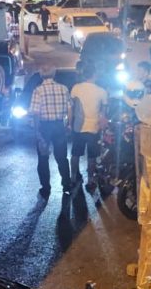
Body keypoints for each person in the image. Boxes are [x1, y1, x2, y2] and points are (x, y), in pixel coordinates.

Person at [29, 68, 72, 198]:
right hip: (59, 125)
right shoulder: (63, 89)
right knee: (62, 157)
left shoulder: (38, 90)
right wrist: (69, 124)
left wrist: (37, 132)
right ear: (54, 74)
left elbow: (35, 113)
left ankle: (46, 188)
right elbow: (70, 107)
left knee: (43, 158)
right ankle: (66, 184)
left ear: (41, 75)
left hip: (44, 126)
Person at [69, 63, 108, 192]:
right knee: (92, 156)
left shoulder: (76, 88)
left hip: (78, 127)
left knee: (75, 153)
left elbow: (71, 108)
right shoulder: (101, 91)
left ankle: (73, 177)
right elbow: (103, 113)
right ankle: (90, 179)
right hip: (94, 128)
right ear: (95, 74)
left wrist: (69, 123)